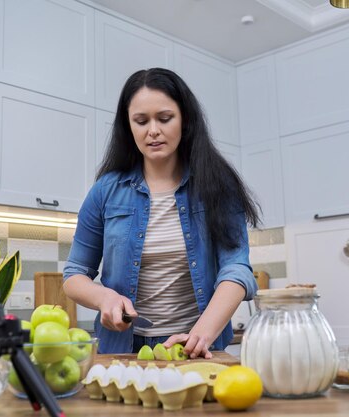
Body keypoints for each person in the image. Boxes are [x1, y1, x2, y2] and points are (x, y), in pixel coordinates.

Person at [63, 68, 259, 359]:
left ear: (185, 120)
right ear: (128, 127)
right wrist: (105, 297)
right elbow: (74, 275)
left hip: (197, 346)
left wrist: (200, 335)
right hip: (122, 349)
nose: (152, 130)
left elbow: (237, 269)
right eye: (141, 121)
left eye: (164, 118)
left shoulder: (218, 185)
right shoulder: (105, 191)